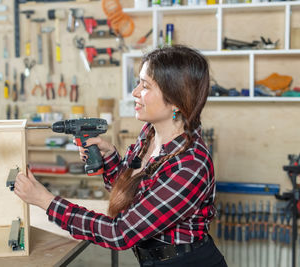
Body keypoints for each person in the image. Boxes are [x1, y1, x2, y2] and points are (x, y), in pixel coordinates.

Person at [14, 45, 227, 267]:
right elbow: (133, 198)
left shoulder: (190, 166)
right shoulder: (149, 134)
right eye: (138, 82)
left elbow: (120, 233)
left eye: (145, 86)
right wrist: (110, 158)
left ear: (176, 100)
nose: (134, 92)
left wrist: (45, 201)